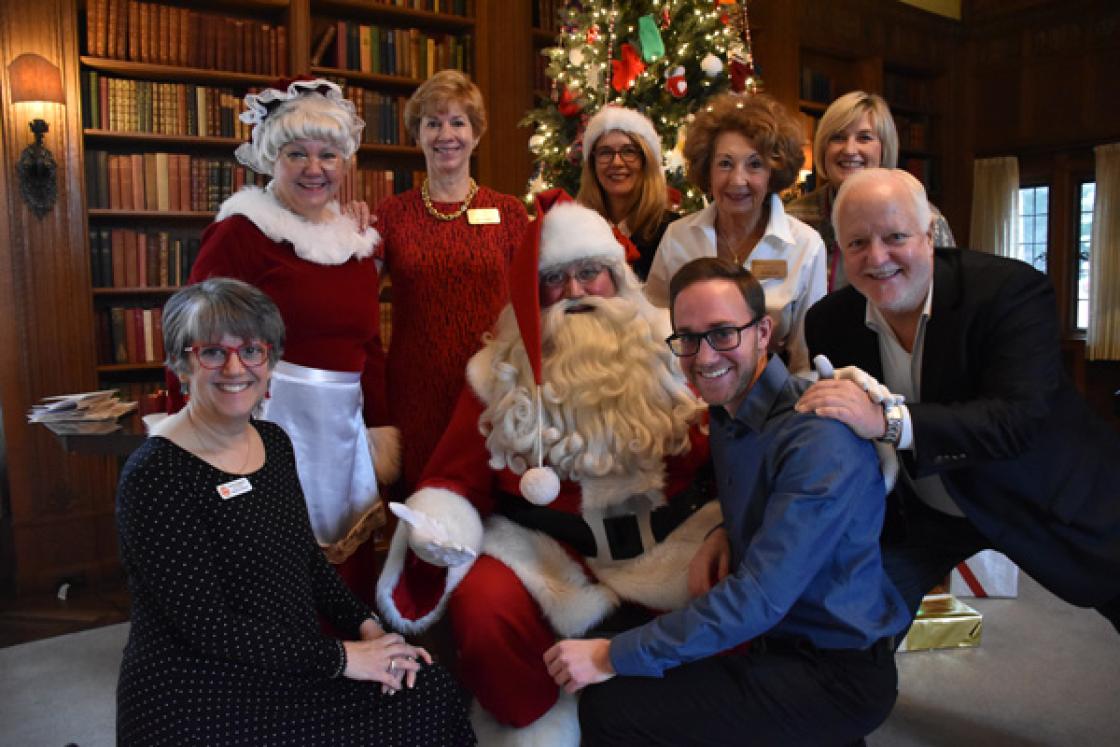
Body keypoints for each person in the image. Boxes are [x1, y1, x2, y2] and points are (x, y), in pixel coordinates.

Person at [376, 194, 717, 746]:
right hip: (546, 554)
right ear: (534, 292)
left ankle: (665, 711)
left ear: (618, 276)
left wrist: (725, 528)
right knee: (482, 605)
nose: (577, 292)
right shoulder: (497, 371)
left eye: (591, 273)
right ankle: (533, 716)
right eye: (557, 279)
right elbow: (455, 478)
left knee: (730, 584)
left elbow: (723, 453)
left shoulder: (671, 350)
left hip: (665, 543)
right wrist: (439, 525)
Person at [546, 257, 909, 746]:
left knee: (612, 707)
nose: (704, 356)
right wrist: (723, 531)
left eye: (722, 333)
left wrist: (609, 657)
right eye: (688, 338)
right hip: (777, 641)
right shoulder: (729, 409)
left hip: (833, 668)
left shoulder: (819, 436)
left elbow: (759, 597)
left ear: (763, 332)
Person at [118, 278, 474, 746]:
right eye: (211, 352)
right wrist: (345, 659)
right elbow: (210, 628)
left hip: (288, 663)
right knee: (413, 706)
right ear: (182, 363)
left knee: (428, 688)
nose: (234, 367)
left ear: (270, 362)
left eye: (251, 350)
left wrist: (369, 630)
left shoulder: (273, 443)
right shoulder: (156, 473)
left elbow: (308, 562)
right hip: (200, 692)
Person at [798, 168, 1120, 630]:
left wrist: (888, 421)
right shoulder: (828, 322)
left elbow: (1016, 420)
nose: (877, 257)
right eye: (857, 243)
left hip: (1039, 494)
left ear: (929, 235)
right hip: (923, 514)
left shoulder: (1009, 291)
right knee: (848, 617)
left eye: (895, 237)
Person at [167, 78, 392, 605]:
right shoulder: (241, 233)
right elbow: (193, 336)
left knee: (345, 572)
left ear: (344, 162)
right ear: (272, 158)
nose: (315, 169)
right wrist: (199, 433)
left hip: (343, 434)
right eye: (298, 154)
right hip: (267, 423)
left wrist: (382, 430)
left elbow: (370, 348)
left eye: (328, 155)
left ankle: (343, 659)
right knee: (270, 574)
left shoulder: (356, 239)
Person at [376, 69, 530, 490]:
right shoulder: (391, 215)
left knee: (489, 502)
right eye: (433, 122)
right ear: (418, 134)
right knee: (422, 502)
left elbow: (532, 305)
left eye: (458, 122)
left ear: (476, 134)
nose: (447, 134)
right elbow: (357, 298)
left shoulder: (510, 213)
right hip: (414, 389)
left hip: (490, 386)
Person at [645, 93, 825, 375]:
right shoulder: (678, 237)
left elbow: (807, 357)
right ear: (707, 168)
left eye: (755, 165)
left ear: (773, 173)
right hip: (688, 390)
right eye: (725, 164)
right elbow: (652, 329)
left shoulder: (806, 245)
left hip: (773, 398)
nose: (737, 180)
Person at [786, 90, 955, 291]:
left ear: (884, 148)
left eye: (864, 138)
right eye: (838, 138)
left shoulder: (925, 218)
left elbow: (946, 292)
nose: (849, 150)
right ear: (823, 148)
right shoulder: (793, 219)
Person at [577, 105, 677, 280]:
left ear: (646, 162)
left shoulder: (673, 232)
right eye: (605, 152)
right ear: (592, 165)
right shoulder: (577, 229)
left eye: (628, 151)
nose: (616, 162)